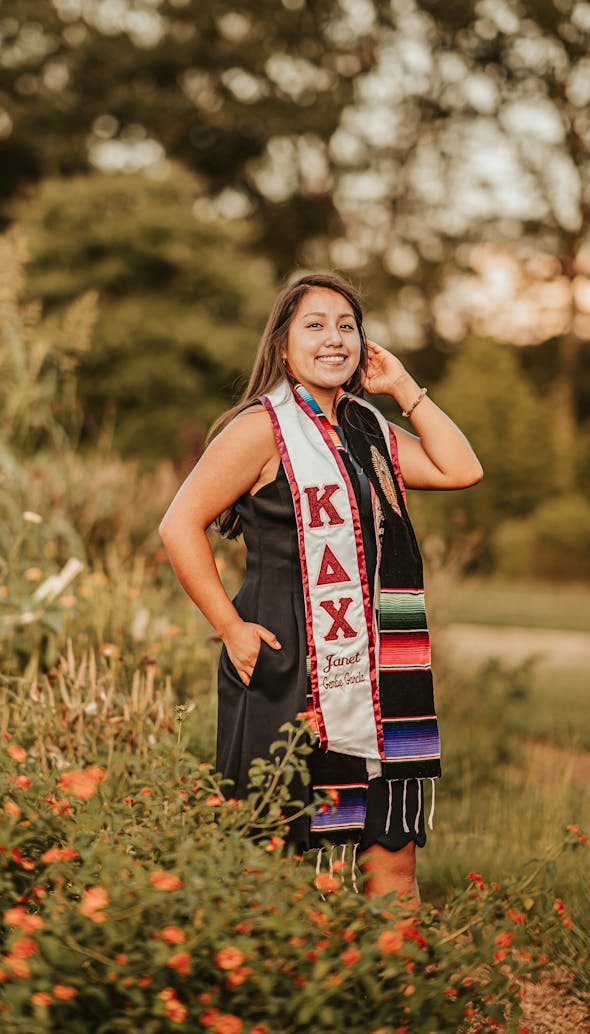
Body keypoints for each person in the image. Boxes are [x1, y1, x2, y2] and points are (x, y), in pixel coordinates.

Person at [159, 272, 482, 899]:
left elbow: (461, 468)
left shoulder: (368, 427)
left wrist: (404, 388)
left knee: (392, 859)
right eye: (315, 325)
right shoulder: (261, 428)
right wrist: (230, 628)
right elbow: (179, 525)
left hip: (384, 678)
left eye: (347, 326)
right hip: (286, 670)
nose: (335, 339)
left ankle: (393, 994)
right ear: (283, 346)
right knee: (271, 860)